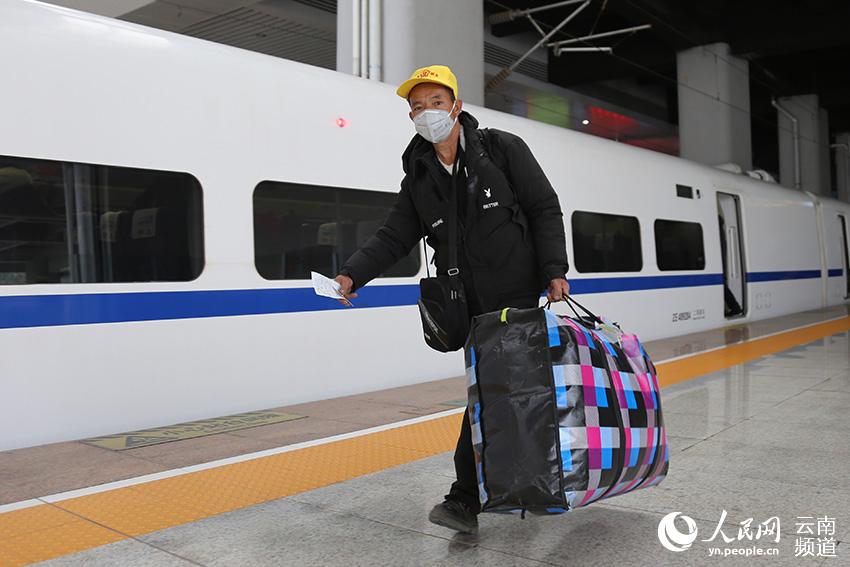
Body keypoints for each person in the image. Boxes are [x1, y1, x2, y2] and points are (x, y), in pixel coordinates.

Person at [334, 65, 570, 535]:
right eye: (417, 106)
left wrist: (554, 270)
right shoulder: (420, 176)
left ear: (457, 106)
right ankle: (523, 484)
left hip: (515, 294)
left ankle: (466, 499)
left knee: (490, 391)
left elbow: (544, 206)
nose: (427, 113)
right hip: (465, 302)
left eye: (436, 103)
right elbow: (393, 236)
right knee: (499, 391)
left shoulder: (502, 150)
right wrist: (351, 274)